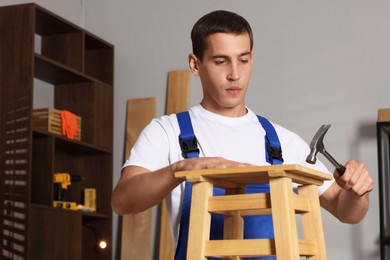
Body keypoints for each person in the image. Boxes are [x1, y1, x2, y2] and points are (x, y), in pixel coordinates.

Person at [112, 10, 373, 259]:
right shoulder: (168, 132)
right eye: (221, 61)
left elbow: (345, 210)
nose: (235, 74)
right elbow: (122, 201)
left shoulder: (280, 141)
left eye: (243, 60)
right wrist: (179, 169)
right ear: (195, 64)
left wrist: (356, 191)